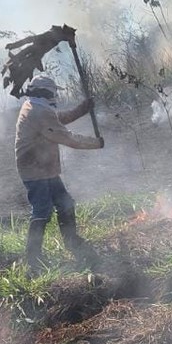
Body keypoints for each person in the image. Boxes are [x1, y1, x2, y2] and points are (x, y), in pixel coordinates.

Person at [14, 75, 103, 273]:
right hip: (35, 169)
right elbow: (67, 138)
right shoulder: (39, 111)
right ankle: (33, 256)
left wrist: (82, 109)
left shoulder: (35, 105)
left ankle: (71, 240)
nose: (55, 95)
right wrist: (95, 143)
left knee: (66, 203)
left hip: (44, 168)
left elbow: (57, 119)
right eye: (53, 92)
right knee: (42, 210)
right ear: (46, 92)